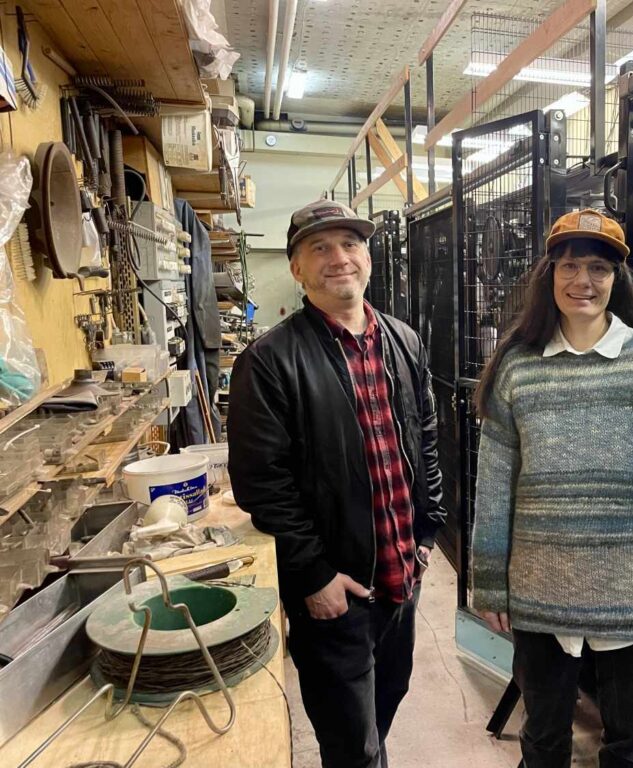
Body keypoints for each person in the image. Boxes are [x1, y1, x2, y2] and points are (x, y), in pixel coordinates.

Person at [470, 209, 633, 768]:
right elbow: (493, 486)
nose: (583, 281)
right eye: (571, 265)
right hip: (541, 592)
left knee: (631, 747)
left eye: (600, 269)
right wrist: (488, 581)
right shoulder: (516, 367)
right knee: (543, 743)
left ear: (617, 280)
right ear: (549, 274)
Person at [228, 200, 447, 768]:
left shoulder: (403, 341)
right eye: (319, 248)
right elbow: (262, 486)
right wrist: (313, 575)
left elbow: (425, 439)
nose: (338, 259)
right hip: (336, 591)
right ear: (296, 269)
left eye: (350, 244)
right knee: (351, 743)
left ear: (367, 257)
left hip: (402, 574)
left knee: (385, 704)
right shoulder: (269, 361)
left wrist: (428, 533)